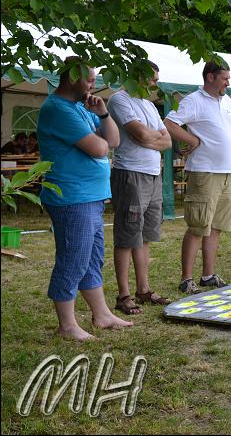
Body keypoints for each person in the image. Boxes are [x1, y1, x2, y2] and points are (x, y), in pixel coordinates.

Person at [37, 56, 131, 341]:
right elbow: (99, 149)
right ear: (73, 77)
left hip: (90, 196)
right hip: (70, 196)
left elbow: (113, 141)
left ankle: (101, 315)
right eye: (90, 79)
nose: (94, 84)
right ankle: (66, 326)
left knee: (91, 258)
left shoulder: (83, 107)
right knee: (73, 258)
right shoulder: (57, 108)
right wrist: (100, 141)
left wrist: (103, 115)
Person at [164, 59, 231, 294]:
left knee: (216, 226)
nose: (228, 83)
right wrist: (193, 140)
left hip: (226, 171)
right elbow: (169, 123)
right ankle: (186, 279)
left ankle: (208, 275)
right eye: (224, 78)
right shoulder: (194, 101)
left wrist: (230, 135)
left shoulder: (227, 100)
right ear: (210, 77)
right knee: (199, 225)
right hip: (205, 171)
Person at [107, 60, 172, 315]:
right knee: (126, 235)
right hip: (130, 173)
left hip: (153, 174)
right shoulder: (119, 99)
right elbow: (142, 134)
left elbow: (166, 140)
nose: (156, 83)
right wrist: (149, 137)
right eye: (152, 78)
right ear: (137, 76)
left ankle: (143, 290)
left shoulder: (148, 105)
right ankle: (123, 295)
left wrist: (149, 137)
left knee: (145, 235)